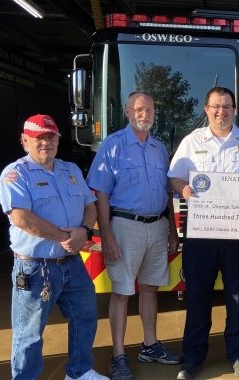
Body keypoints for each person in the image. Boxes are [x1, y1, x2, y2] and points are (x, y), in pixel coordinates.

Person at [168, 87, 239, 380]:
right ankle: (193, 358)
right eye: (215, 106)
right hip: (201, 232)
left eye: (226, 106)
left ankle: (238, 355)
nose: (221, 112)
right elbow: (175, 176)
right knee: (198, 294)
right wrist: (183, 189)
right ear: (206, 109)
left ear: (234, 109)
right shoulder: (192, 141)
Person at [0, 114, 107, 380]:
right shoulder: (15, 173)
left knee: (86, 317)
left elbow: (89, 205)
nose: (46, 142)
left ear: (58, 139)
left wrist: (85, 231)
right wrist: (66, 237)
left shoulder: (70, 169)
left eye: (51, 137)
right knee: (29, 333)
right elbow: (22, 218)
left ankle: (79, 373)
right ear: (25, 140)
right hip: (35, 268)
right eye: (39, 138)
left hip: (71, 263)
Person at [86, 91, 182, 380]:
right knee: (122, 292)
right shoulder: (112, 146)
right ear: (127, 111)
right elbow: (100, 195)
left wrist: (173, 229)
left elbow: (167, 193)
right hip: (124, 227)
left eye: (150, 110)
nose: (145, 115)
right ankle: (118, 355)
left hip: (157, 226)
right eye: (139, 109)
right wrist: (107, 237)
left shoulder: (159, 148)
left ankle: (150, 345)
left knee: (151, 288)